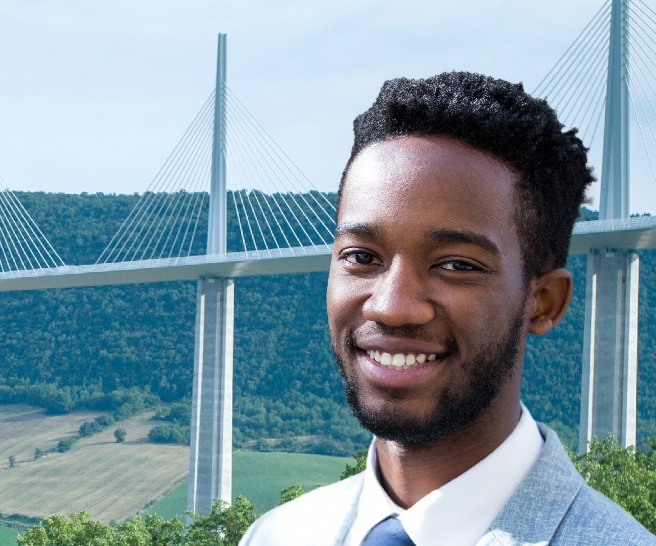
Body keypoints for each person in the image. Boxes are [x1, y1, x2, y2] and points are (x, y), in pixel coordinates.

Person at [239, 72, 656, 545]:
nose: (392, 306)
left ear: (544, 302)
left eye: (456, 264)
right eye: (361, 256)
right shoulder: (277, 535)